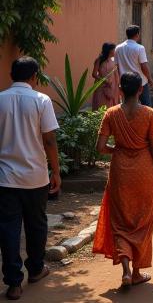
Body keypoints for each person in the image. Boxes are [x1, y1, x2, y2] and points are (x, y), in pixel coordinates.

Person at [93, 72, 153, 289]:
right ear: (140, 90)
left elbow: (100, 148)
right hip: (144, 172)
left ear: (120, 90)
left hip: (120, 172)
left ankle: (126, 271)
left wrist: (116, 149)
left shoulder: (111, 113)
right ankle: (136, 272)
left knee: (120, 221)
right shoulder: (149, 113)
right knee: (141, 222)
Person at [0, 57, 61, 301]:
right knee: (36, 225)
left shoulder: (0, 100)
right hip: (35, 178)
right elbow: (49, 140)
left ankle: (14, 283)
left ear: (12, 74)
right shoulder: (41, 100)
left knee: (8, 230)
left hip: (5, 178)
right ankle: (35, 269)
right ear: (34, 76)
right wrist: (56, 171)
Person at [114, 25, 153, 107]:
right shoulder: (140, 48)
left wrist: (120, 80)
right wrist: (150, 79)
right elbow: (144, 66)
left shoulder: (118, 48)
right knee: (146, 105)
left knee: (126, 105)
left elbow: (117, 66)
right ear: (137, 34)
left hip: (125, 82)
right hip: (140, 82)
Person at [92, 42, 120, 110]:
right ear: (110, 50)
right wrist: (104, 80)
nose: (115, 51)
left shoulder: (113, 60)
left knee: (111, 107)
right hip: (101, 87)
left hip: (112, 87)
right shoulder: (99, 60)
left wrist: (118, 86)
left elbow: (116, 74)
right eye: (114, 49)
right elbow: (94, 74)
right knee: (100, 106)